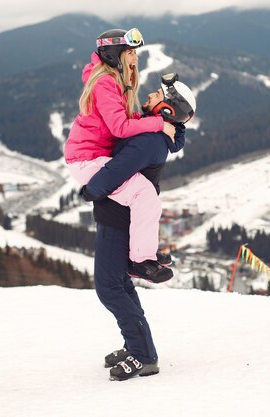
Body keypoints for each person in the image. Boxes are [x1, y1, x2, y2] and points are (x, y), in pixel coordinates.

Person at [90, 77, 196, 381]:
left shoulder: (149, 140)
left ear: (165, 108)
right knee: (119, 284)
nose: (148, 95)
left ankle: (144, 356)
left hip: (118, 218)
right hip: (119, 216)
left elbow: (116, 170)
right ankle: (136, 344)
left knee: (109, 288)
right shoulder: (153, 134)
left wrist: (90, 189)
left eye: (156, 95)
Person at [64, 28, 177, 282]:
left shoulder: (111, 79)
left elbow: (124, 119)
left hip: (93, 155)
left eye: (135, 51)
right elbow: (120, 128)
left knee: (144, 191)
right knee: (143, 193)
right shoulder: (105, 82)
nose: (135, 57)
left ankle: (143, 249)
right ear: (115, 55)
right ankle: (139, 261)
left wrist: (155, 120)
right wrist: (158, 124)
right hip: (87, 160)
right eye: (130, 52)